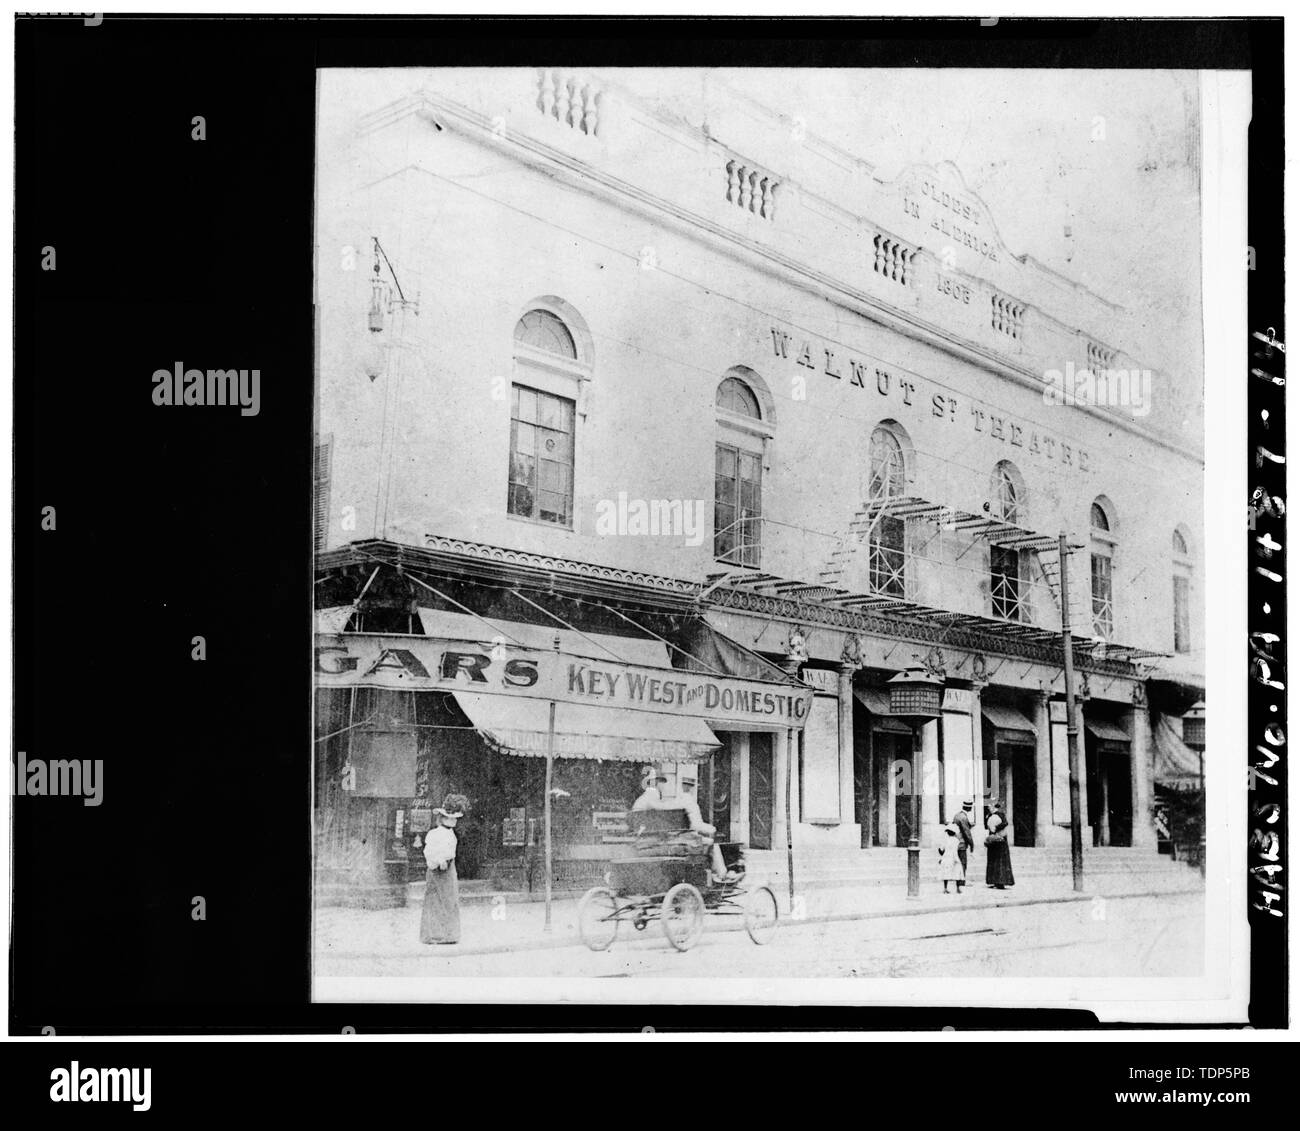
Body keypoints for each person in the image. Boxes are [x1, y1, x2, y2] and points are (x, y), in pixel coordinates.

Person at [419, 793, 467, 944]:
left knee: (449, 900)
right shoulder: (435, 833)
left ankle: (449, 934)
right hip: (437, 870)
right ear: (443, 818)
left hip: (449, 870)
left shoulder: (451, 834)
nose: (453, 821)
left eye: (454, 818)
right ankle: (435, 934)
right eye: (450, 818)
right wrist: (439, 861)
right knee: (435, 900)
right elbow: (429, 851)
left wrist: (448, 861)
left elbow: (450, 851)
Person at [679, 779, 737, 884]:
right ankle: (721, 874)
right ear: (691, 788)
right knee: (713, 845)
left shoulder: (677, 800)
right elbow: (696, 825)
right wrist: (712, 829)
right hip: (689, 840)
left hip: (680, 838)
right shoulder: (689, 801)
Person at [984, 798, 1015, 890]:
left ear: (994, 806)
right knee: (993, 861)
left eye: (990, 806)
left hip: (1000, 840)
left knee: (1000, 862)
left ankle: (1001, 882)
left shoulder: (1000, 814)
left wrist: (995, 828)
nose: (988, 808)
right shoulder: (990, 815)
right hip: (994, 841)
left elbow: (1005, 823)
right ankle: (994, 881)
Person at [938, 823, 965, 893]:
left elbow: (941, 850)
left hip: (946, 857)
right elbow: (958, 849)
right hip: (955, 856)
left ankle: (945, 888)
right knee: (957, 871)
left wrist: (941, 854)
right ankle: (958, 888)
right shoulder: (956, 840)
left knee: (946, 872)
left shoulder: (945, 840)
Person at [952, 799, 975, 881]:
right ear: (969, 808)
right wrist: (972, 845)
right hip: (961, 843)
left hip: (955, 842)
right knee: (963, 863)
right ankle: (961, 881)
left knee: (957, 863)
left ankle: (957, 879)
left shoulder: (957, 815)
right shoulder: (964, 817)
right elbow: (967, 832)